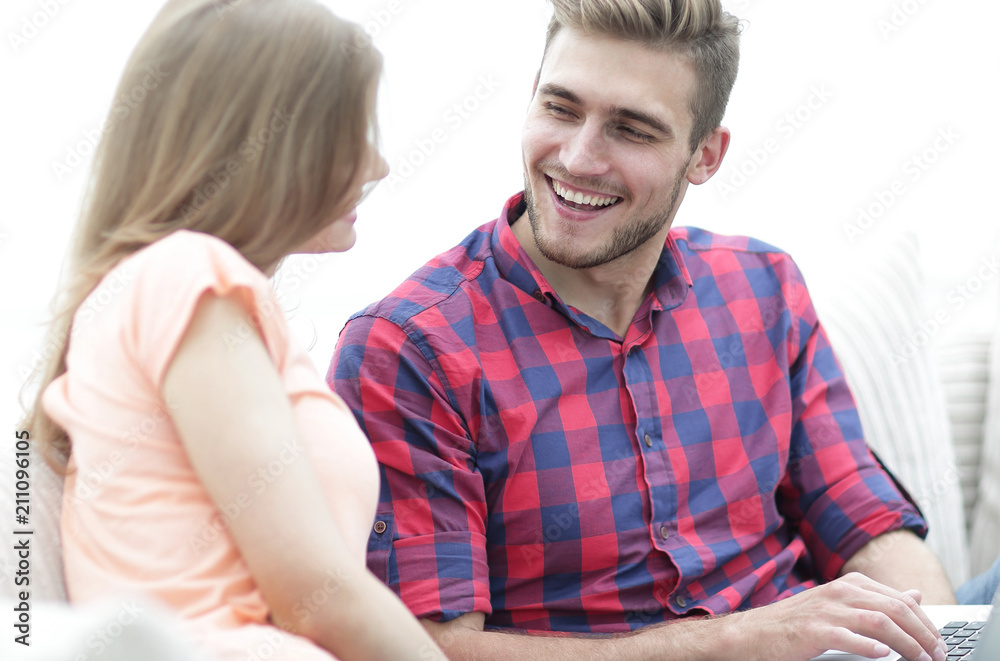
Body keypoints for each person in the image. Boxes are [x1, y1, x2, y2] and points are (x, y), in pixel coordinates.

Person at [330, 1, 991, 660]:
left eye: (632, 130)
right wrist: (741, 639)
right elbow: (426, 649)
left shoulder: (763, 288)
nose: (578, 158)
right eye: (560, 108)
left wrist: (944, 642)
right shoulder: (408, 348)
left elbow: (865, 523)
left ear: (705, 154)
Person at [20, 1, 447, 660]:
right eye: (352, 133)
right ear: (273, 144)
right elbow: (316, 590)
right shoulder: (188, 273)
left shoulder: (174, 288)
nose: (379, 165)